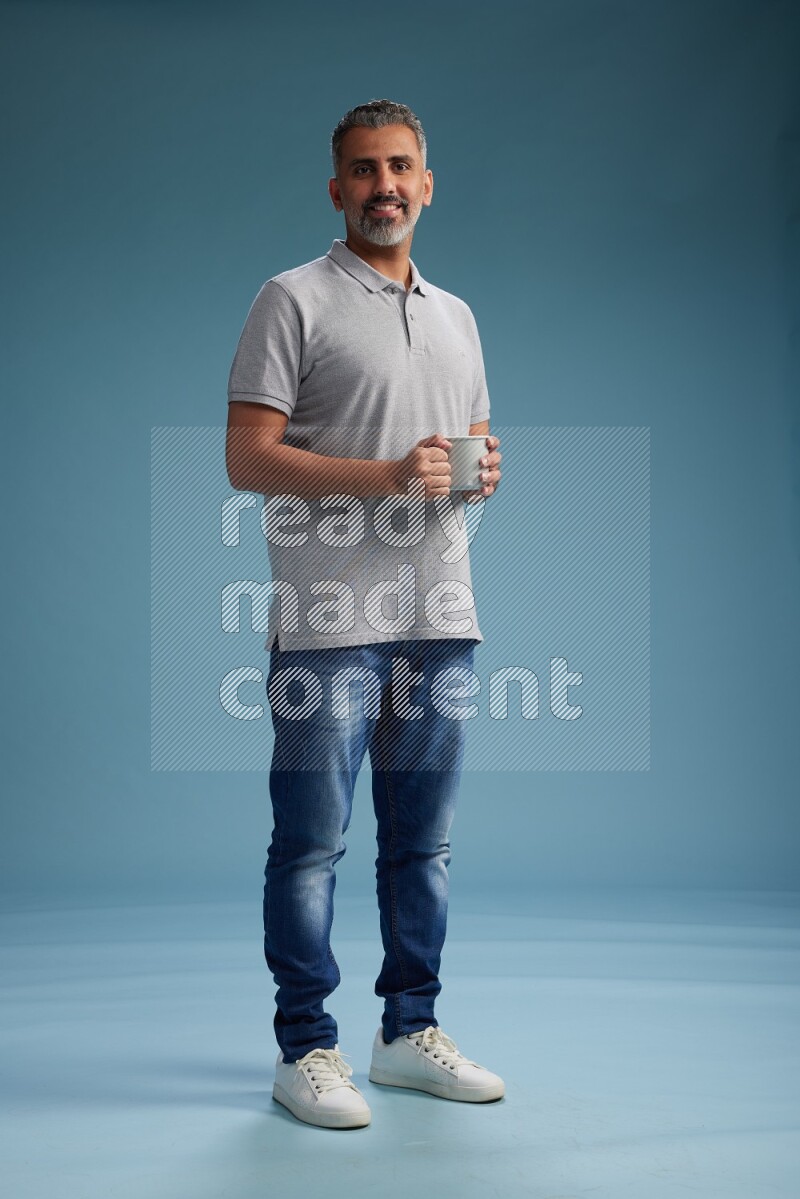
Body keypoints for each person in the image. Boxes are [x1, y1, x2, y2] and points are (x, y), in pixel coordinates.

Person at [226, 99, 503, 1130]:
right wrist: (386, 475)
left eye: (399, 167)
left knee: (422, 846)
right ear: (336, 187)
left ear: (425, 183)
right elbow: (247, 457)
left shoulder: (457, 314)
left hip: (440, 613)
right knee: (311, 845)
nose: (383, 185)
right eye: (363, 169)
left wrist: (483, 470)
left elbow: (468, 441)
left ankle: (405, 1032)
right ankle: (305, 1046)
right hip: (328, 621)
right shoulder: (290, 299)